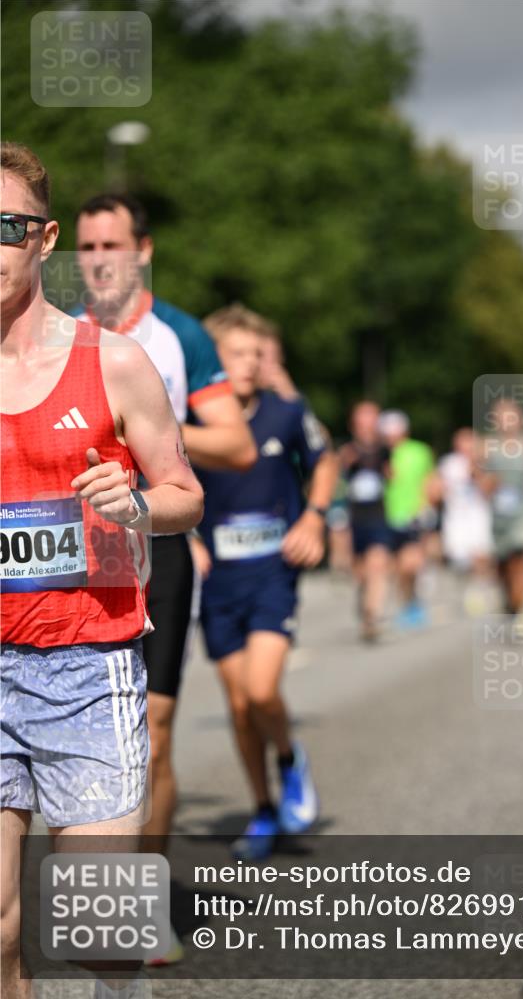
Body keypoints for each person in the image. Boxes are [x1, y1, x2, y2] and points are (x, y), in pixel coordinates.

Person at [0, 143, 204, 999]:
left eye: (4, 227)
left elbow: (185, 494)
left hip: (88, 669)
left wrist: (134, 507)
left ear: (45, 240)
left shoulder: (114, 361)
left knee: (101, 937)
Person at [74, 195, 256, 964]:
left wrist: (150, 427)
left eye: (113, 243)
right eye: (86, 245)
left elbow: (237, 443)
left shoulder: (176, 335)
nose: (98, 258)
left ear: (142, 250)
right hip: (71, 547)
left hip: (155, 545)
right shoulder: (50, 330)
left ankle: (139, 906)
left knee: (151, 730)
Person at [195, 305, 338, 860]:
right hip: (219, 580)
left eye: (257, 353)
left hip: (273, 572)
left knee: (261, 690)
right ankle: (262, 809)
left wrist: (314, 516)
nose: (250, 363)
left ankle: (288, 757)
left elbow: (324, 462)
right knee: (236, 707)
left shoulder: (286, 411)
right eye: (238, 353)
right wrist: (190, 539)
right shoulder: (189, 416)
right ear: (213, 359)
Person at [339, 401, 393, 641]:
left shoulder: (384, 450)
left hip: (378, 516)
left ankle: (374, 615)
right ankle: (366, 605)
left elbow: (392, 477)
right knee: (362, 573)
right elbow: (337, 480)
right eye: (363, 421)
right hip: (355, 519)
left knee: (378, 565)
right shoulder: (348, 451)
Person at [478, 399, 523, 617]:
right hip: (497, 516)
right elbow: (477, 479)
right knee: (502, 565)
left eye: (511, 417)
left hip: (522, 514)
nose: (507, 422)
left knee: (519, 559)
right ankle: (510, 600)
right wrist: (488, 482)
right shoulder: (486, 446)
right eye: (502, 417)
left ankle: (521, 606)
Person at [428, 428, 493, 615]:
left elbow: (489, 489)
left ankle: (478, 592)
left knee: (480, 556)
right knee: (459, 560)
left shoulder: (484, 463)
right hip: (456, 519)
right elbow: (437, 489)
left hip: (478, 516)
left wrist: (477, 470)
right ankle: (466, 589)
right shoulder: (449, 463)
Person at [380, 410, 435, 629]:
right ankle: (407, 603)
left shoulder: (419, 451)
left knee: (409, 565)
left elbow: (429, 480)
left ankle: (413, 604)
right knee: (395, 568)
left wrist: (426, 506)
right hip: (386, 516)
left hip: (412, 515)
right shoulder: (380, 453)